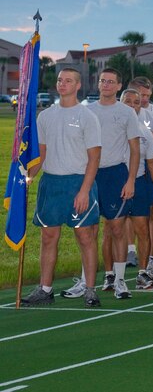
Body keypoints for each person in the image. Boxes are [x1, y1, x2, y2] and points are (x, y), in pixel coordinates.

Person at [21, 68, 105, 307]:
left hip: (78, 183)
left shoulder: (87, 116)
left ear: (78, 85)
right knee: (48, 237)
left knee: (85, 236)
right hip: (52, 183)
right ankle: (45, 289)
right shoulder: (45, 116)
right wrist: (28, 178)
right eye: (60, 80)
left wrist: (84, 190)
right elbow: (41, 154)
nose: (62, 84)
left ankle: (90, 288)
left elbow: (94, 157)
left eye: (68, 81)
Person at [86, 68, 143, 300]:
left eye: (111, 82)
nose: (106, 85)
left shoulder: (127, 113)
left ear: (119, 86)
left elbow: (135, 149)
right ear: (98, 84)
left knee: (117, 228)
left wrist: (130, 180)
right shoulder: (87, 112)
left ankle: (120, 280)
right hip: (90, 173)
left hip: (116, 174)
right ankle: (88, 279)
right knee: (88, 230)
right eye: (103, 81)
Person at [120, 89, 153, 290]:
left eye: (136, 103)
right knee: (113, 230)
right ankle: (113, 275)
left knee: (143, 229)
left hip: (140, 184)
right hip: (115, 183)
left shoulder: (145, 133)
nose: (131, 106)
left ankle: (143, 272)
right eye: (127, 101)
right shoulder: (108, 129)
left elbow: (152, 164)